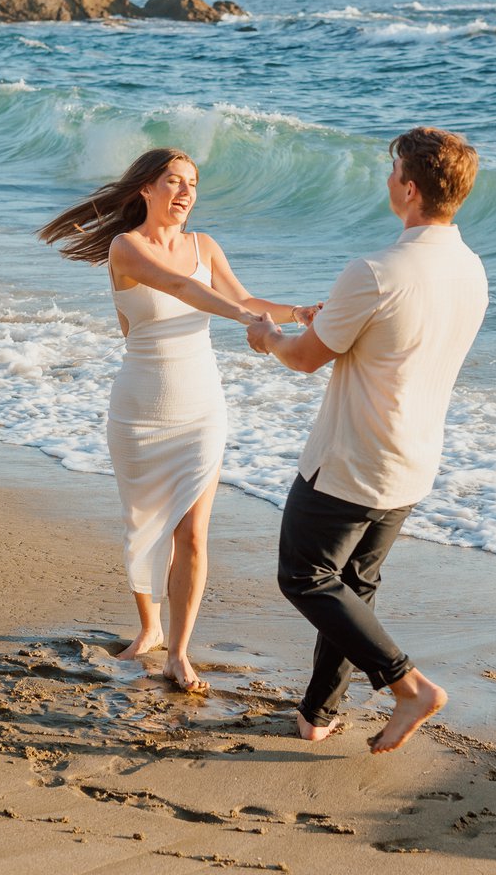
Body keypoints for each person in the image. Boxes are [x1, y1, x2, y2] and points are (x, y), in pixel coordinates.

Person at [40, 147, 318, 692]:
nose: (187, 191)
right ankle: (149, 628)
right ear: (146, 188)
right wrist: (244, 317)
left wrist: (296, 312)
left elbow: (245, 296)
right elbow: (182, 288)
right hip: (140, 407)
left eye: (193, 182)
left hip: (201, 408)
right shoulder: (127, 247)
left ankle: (179, 652)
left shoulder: (204, 245)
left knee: (192, 533)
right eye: (174, 180)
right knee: (145, 525)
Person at [246, 126, 488, 753]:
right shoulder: (469, 268)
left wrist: (267, 335)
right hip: (413, 459)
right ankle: (317, 715)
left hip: (353, 457)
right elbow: (397, 340)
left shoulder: (376, 271)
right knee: (350, 587)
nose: (387, 182)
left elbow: (303, 359)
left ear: (409, 189)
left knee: (304, 576)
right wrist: (336, 318)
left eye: (393, 173)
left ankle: (408, 684)